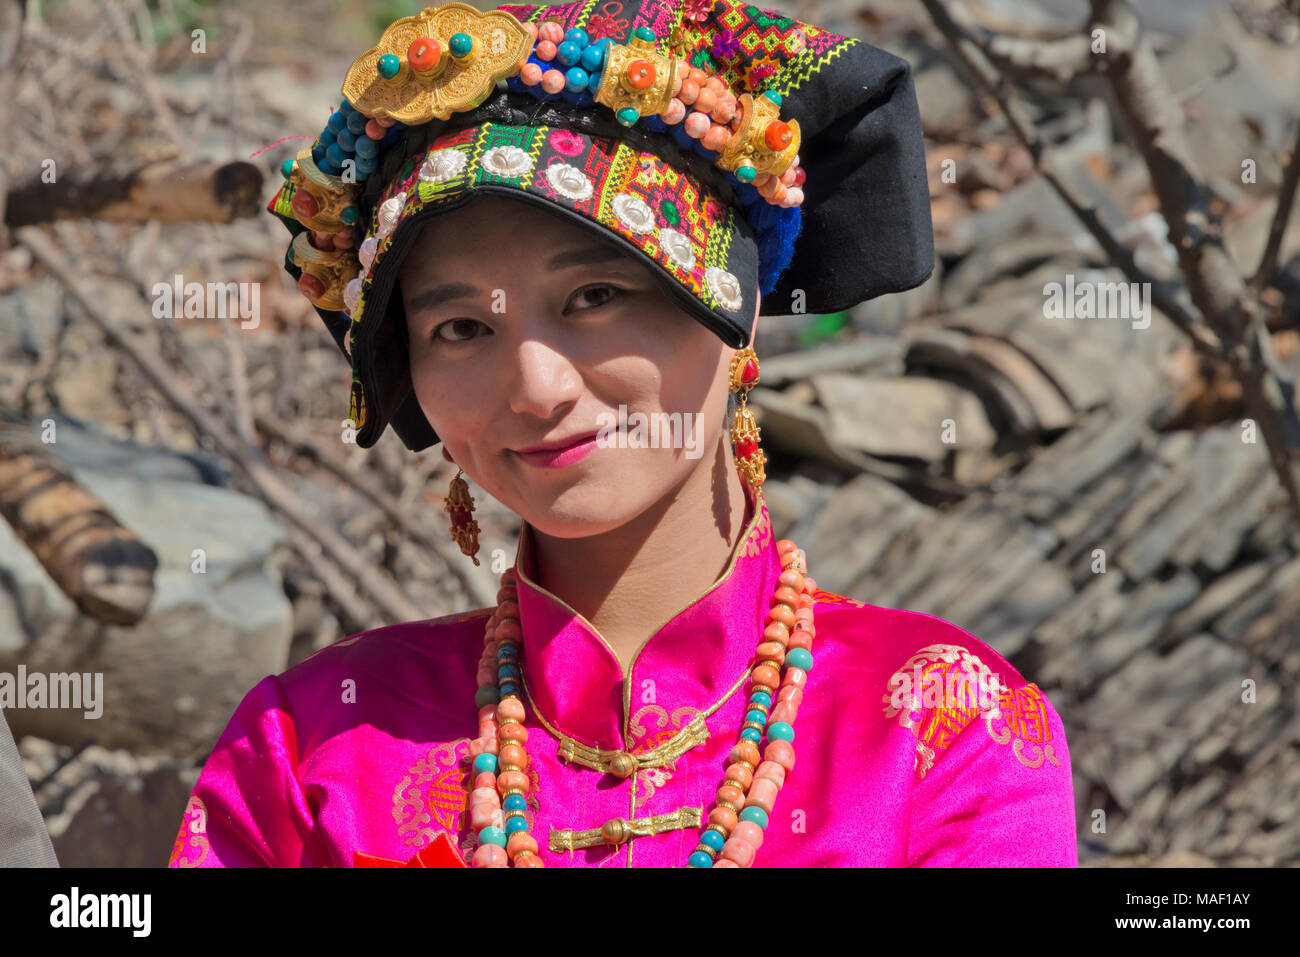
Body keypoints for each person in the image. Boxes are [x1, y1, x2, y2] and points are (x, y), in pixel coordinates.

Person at [168, 0, 1078, 868]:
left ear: (739, 308)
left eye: (595, 297)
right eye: (460, 329)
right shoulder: (312, 746)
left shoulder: (946, 723)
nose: (536, 386)